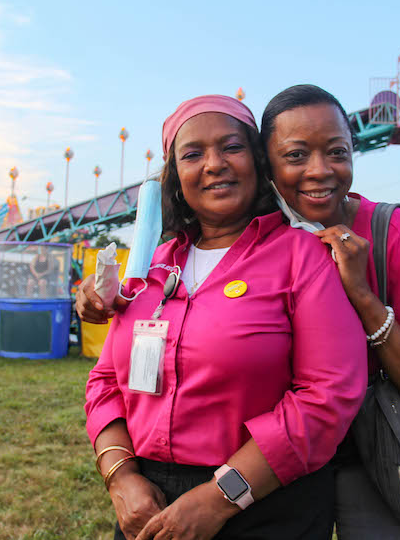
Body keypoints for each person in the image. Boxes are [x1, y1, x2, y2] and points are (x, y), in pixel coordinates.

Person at [82, 95, 367, 540]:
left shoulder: (302, 258)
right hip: (148, 505)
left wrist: (219, 497)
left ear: (257, 162)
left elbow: (328, 396)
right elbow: (105, 382)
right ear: (175, 178)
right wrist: (121, 476)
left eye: (231, 147)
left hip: (268, 502)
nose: (214, 164)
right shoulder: (152, 270)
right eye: (193, 154)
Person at [260, 84, 400, 540]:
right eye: (296, 156)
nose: (320, 171)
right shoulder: (252, 235)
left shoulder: (390, 232)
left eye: (337, 152)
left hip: (370, 456)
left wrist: (362, 295)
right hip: (272, 457)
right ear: (265, 164)